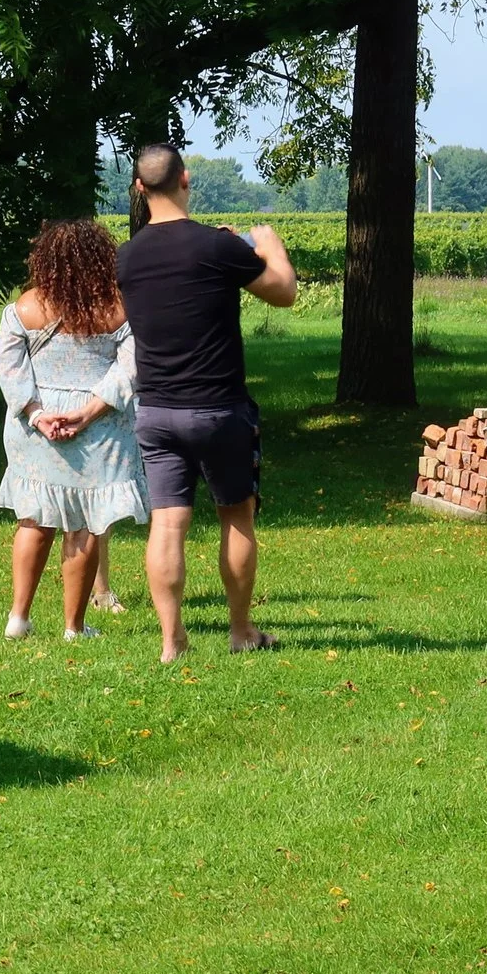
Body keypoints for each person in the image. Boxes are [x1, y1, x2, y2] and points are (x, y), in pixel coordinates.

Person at [116, 143, 299, 662]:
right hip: (219, 409)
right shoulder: (217, 248)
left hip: (155, 411)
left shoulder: (126, 258)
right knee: (236, 517)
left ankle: (172, 641)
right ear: (186, 179)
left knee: (167, 524)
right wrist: (268, 243)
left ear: (138, 189)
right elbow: (283, 291)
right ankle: (240, 631)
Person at [0, 219, 145, 641]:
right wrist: (88, 412)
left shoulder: (25, 307)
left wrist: (38, 413)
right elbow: (131, 369)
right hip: (98, 428)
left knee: (33, 521)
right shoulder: (118, 307)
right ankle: (74, 628)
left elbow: (8, 367)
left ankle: (18, 618)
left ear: (45, 261)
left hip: (36, 430)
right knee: (85, 525)